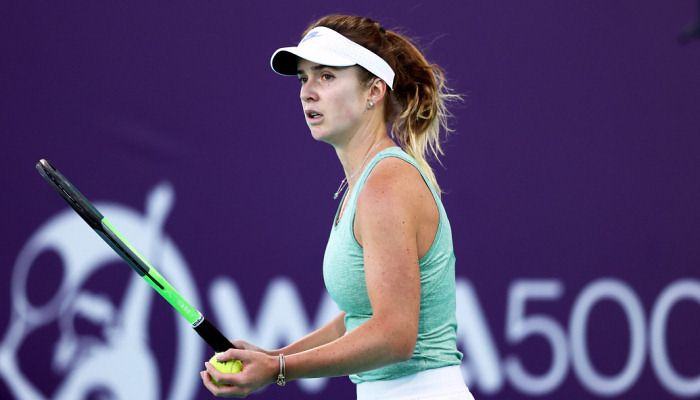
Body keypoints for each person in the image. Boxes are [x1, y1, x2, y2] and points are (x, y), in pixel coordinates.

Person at [201, 14, 474, 399]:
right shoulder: (365, 181)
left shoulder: (386, 185)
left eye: (326, 76)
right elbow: (360, 318)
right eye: (303, 78)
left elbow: (395, 335)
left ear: (374, 91)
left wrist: (279, 370)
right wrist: (273, 357)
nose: (307, 92)